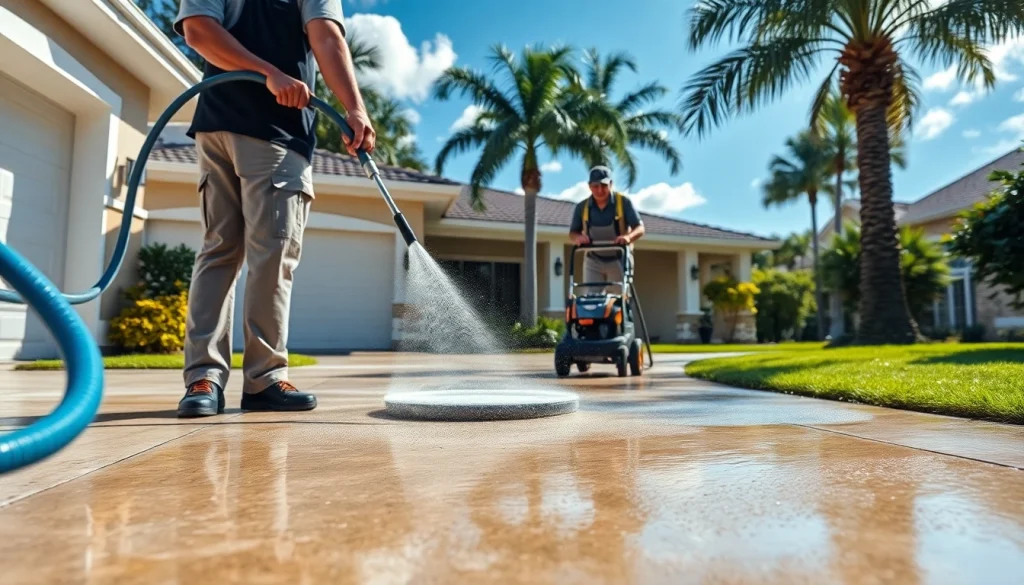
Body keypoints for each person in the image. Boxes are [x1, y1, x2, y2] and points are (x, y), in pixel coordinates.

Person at [172, 0, 375, 417]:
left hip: (235, 125)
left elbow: (325, 36)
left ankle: (206, 380)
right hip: (265, 131)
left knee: (222, 252)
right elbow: (198, 30)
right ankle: (260, 379)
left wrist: (354, 108)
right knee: (268, 254)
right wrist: (270, 73)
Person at [568, 166, 645, 295]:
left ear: (611, 184)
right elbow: (573, 233)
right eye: (595, 186)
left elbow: (640, 228)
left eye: (604, 185)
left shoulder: (623, 202)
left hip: (618, 259)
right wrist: (578, 238)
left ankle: (622, 307)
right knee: (592, 299)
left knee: (619, 299)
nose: (600, 190)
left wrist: (628, 237)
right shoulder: (582, 207)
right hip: (593, 260)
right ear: (589, 186)